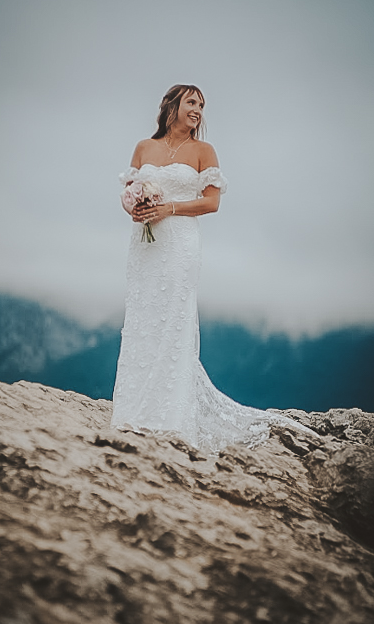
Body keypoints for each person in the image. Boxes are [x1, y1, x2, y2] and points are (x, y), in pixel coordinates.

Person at [111, 84, 315, 454]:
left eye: (201, 105)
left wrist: (168, 208)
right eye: (191, 102)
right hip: (144, 244)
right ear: (171, 106)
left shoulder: (204, 151)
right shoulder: (144, 147)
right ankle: (132, 411)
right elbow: (128, 194)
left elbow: (212, 202)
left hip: (180, 245)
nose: (198, 110)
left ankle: (170, 418)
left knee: (173, 319)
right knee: (142, 318)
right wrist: (136, 208)